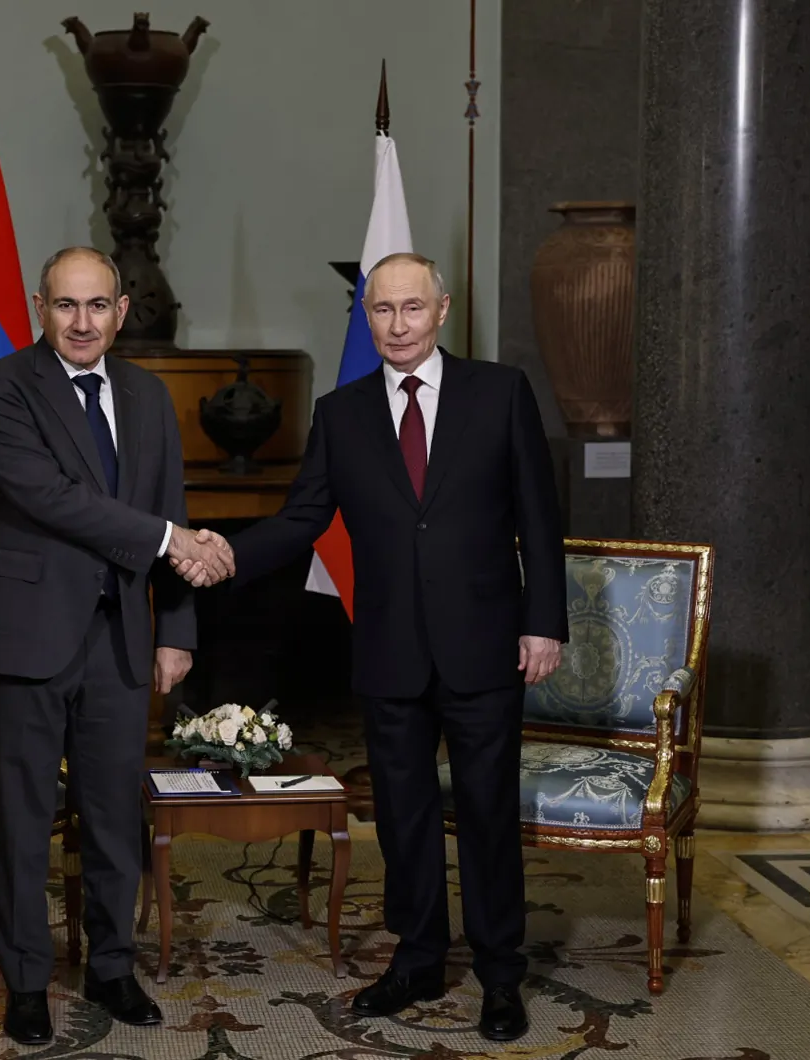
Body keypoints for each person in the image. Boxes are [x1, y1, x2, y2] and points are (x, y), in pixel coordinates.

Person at [174, 252, 565, 1043]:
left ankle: (499, 974)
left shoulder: (500, 393)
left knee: (488, 814)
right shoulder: (341, 412)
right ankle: (418, 960)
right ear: (367, 318)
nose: (397, 325)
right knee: (404, 815)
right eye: (382, 310)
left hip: (486, 643)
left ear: (442, 310)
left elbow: (539, 514)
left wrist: (544, 622)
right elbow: (302, 518)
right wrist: (226, 554)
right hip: (389, 648)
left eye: (412, 308)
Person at [0, 246, 234, 1047]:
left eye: (97, 305)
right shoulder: (1, 388)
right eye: (66, 305)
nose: (82, 322)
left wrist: (176, 631)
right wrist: (172, 539)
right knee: (22, 820)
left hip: (120, 639)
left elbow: (170, 502)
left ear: (120, 312)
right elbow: (51, 498)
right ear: (38, 308)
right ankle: (24, 984)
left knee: (115, 815)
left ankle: (112, 969)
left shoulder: (148, 395)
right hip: (25, 636)